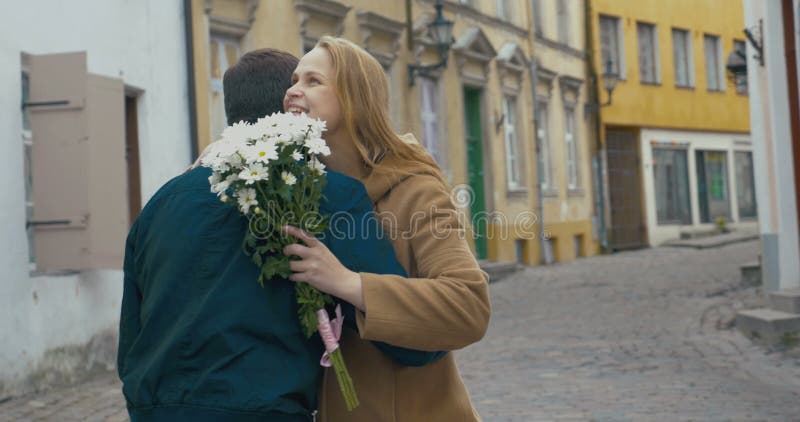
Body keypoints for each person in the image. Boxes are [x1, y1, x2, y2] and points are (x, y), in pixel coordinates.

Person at [117, 48, 440, 421]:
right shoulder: (327, 193)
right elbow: (407, 342)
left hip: (153, 411)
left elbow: (130, 337)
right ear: (292, 112)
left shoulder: (160, 203)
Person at [281, 36, 491, 421]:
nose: (293, 90)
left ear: (353, 97)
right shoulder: (296, 190)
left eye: (313, 81)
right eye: (294, 80)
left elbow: (469, 305)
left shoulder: (416, 189)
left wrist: (347, 283)